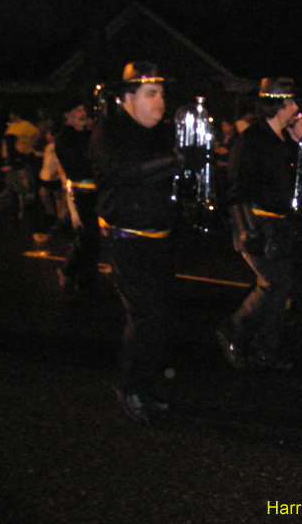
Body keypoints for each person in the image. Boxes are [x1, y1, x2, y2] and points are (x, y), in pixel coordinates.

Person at [91, 61, 183, 423]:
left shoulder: (160, 131)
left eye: (161, 93)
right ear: (127, 98)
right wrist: (173, 161)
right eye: (150, 94)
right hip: (126, 235)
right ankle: (130, 388)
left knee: (160, 317)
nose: (160, 101)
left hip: (158, 235)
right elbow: (118, 172)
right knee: (146, 315)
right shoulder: (109, 130)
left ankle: (144, 386)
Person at [216, 78, 299, 370]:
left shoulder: (282, 140)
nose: (296, 108)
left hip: (279, 224)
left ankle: (265, 348)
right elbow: (237, 187)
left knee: (281, 285)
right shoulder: (251, 139)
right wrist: (248, 229)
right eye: (290, 102)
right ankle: (234, 329)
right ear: (279, 106)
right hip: (258, 223)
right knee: (271, 283)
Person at [55, 101, 100, 294]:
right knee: (88, 236)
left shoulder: (89, 134)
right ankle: (72, 271)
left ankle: (84, 277)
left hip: (97, 192)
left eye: (84, 110)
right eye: (77, 110)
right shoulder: (65, 138)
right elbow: (78, 165)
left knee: (93, 238)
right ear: (68, 116)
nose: (83, 113)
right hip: (81, 192)